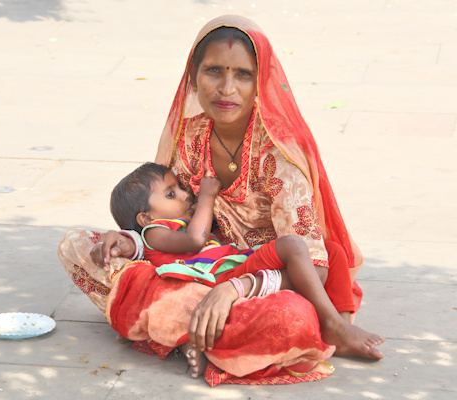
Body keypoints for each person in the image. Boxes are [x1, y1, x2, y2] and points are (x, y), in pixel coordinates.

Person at [59, 15, 382, 386]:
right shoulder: (189, 137)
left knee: (292, 319)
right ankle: (201, 333)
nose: (227, 88)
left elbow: (314, 268)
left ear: (260, 83)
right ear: (193, 79)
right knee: (78, 245)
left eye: (243, 74)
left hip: (269, 283)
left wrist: (235, 290)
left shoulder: (280, 157)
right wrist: (129, 240)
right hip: (202, 268)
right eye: (214, 71)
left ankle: (180, 331)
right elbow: (167, 217)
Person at [108, 162, 383, 377]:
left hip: (237, 266)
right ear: (145, 218)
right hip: (222, 279)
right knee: (292, 246)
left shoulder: (178, 221)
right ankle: (332, 323)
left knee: (330, 251)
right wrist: (207, 194)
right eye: (171, 193)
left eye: (180, 186)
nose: (184, 194)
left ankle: (343, 328)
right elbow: (195, 239)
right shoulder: (155, 231)